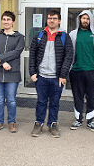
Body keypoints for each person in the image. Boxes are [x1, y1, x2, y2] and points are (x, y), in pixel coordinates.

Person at [29, 10, 73, 138]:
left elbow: (68, 57)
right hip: (41, 76)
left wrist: (63, 75)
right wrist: (32, 72)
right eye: (49, 18)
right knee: (41, 102)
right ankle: (38, 124)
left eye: (54, 18)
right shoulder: (40, 35)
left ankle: (53, 125)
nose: (51, 20)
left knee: (54, 103)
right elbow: (32, 55)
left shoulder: (64, 36)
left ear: (59, 21)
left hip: (56, 78)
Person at [69, 10, 94, 132]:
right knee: (77, 96)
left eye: (87, 18)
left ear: (91, 20)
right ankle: (78, 119)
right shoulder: (73, 34)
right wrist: (70, 68)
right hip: (76, 70)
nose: (85, 20)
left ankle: (90, 120)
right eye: (83, 18)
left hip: (93, 71)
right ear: (80, 19)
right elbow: (69, 52)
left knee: (92, 96)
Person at [0, 11, 25, 133]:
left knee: (11, 99)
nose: (6, 21)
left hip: (12, 73)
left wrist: (2, 58)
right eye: (4, 19)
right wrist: (2, 63)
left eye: (8, 19)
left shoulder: (19, 37)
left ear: (13, 22)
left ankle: (11, 122)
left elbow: (17, 52)